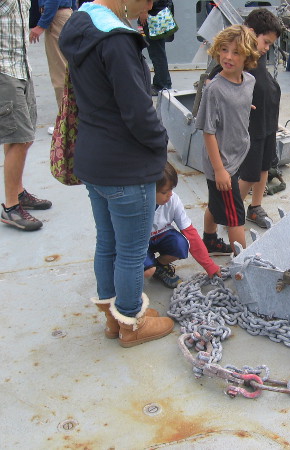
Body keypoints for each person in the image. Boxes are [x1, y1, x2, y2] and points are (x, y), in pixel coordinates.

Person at [59, 0, 174, 348]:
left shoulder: (80, 24)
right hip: (126, 166)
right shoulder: (117, 40)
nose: (151, 4)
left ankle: (113, 318)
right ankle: (131, 323)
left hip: (94, 161)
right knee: (130, 249)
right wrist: (161, 142)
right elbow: (138, 112)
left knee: (107, 242)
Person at [207, 9, 283, 229]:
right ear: (251, 33)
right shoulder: (236, 61)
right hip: (250, 129)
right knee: (249, 174)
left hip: (268, 123)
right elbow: (215, 83)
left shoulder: (255, 57)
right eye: (265, 42)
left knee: (263, 168)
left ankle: (255, 207)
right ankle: (231, 209)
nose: (267, 48)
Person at [195, 25, 259, 256]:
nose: (228, 57)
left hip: (237, 153)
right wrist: (220, 170)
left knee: (216, 202)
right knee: (235, 216)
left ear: (247, 57)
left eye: (236, 52)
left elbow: (239, 102)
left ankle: (209, 241)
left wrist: (241, 107)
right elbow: (208, 131)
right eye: (224, 50)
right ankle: (243, 261)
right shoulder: (215, 90)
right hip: (222, 163)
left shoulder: (249, 81)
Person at [1, 0, 53, 232]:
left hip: (22, 68)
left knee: (21, 136)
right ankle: (10, 207)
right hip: (4, 71)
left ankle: (18, 193)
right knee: (21, 138)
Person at [144, 161, 221, 288]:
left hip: (161, 235)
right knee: (147, 271)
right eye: (164, 192)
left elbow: (190, 233)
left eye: (171, 190)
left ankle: (159, 266)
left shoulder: (173, 199)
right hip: (141, 241)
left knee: (182, 244)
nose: (170, 195)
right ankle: (147, 266)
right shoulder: (137, 205)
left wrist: (209, 265)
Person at [29, 0, 77, 112]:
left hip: (56, 16)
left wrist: (42, 24)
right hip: (65, 14)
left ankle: (65, 120)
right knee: (69, 69)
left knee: (59, 72)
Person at [138, 0, 173, 95]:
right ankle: (164, 82)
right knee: (158, 52)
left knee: (156, 53)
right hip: (158, 15)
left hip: (153, 16)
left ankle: (161, 85)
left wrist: (143, 10)